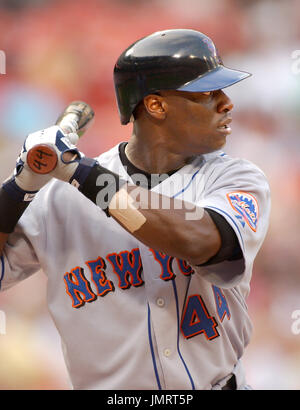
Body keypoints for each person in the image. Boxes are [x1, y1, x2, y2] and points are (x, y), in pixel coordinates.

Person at [0, 29, 270, 390]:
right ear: (156, 106)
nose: (226, 103)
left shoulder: (235, 178)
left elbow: (204, 242)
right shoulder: (57, 198)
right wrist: (19, 188)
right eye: (208, 92)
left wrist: (81, 173)